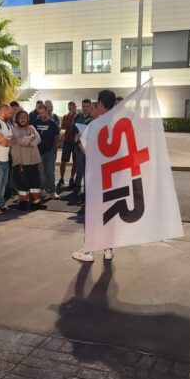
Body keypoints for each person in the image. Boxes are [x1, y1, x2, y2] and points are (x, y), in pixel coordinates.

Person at [72, 90, 116, 262]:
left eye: (96, 104)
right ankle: (108, 249)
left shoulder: (94, 126)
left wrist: (79, 140)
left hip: (97, 178)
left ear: (101, 105)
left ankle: (89, 251)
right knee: (109, 213)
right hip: (112, 177)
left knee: (93, 214)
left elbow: (89, 153)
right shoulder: (118, 123)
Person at [11, 110, 47, 210]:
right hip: (21, 162)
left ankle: (36, 202)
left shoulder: (31, 127)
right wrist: (30, 137)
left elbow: (38, 138)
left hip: (33, 160)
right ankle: (23, 202)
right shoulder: (14, 129)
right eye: (20, 117)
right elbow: (20, 140)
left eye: (25, 117)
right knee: (23, 183)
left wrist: (30, 141)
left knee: (35, 182)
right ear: (17, 119)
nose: (23, 119)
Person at [33, 104, 61, 199]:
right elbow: (32, 135)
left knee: (50, 172)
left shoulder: (52, 123)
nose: (41, 115)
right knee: (41, 173)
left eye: (43, 113)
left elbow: (57, 137)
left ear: (47, 112)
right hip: (38, 153)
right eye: (40, 113)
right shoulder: (36, 122)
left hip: (49, 153)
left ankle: (52, 192)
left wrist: (53, 149)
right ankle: (43, 190)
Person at [70, 99, 94, 192]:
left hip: (88, 147)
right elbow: (73, 129)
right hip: (77, 145)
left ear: (90, 107)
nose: (85, 108)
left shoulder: (92, 117)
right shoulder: (77, 117)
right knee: (79, 165)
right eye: (84, 106)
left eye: (87, 106)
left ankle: (87, 187)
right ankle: (78, 183)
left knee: (87, 166)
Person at [58, 101, 79, 190]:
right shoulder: (65, 117)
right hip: (67, 141)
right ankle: (62, 178)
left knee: (75, 161)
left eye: (72, 107)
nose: (71, 108)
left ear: (75, 107)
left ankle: (71, 178)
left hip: (75, 142)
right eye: (69, 107)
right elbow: (62, 127)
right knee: (63, 161)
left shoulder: (78, 116)